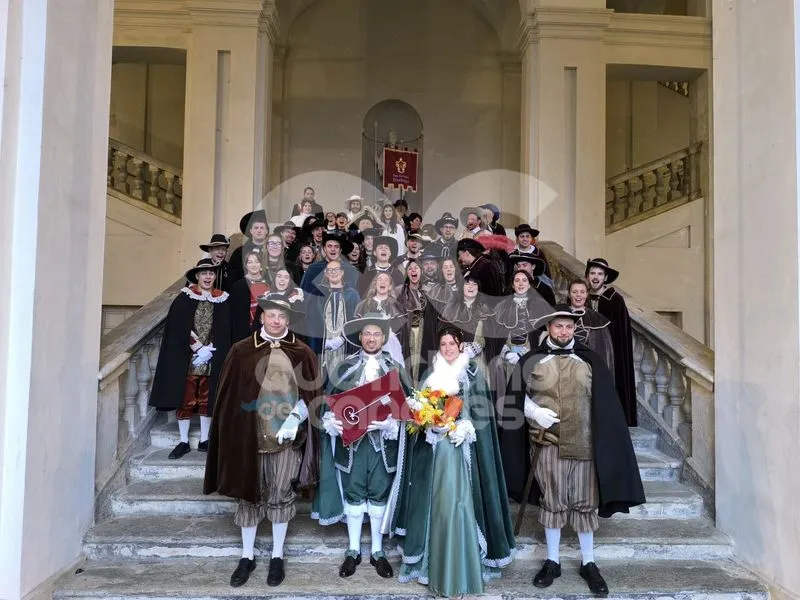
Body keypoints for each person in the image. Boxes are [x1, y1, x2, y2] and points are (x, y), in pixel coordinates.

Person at [499, 305, 645, 596]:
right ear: (548, 328)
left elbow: (604, 402)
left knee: (584, 503)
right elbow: (514, 398)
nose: (564, 332)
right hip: (547, 444)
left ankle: (588, 562)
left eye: (568, 326)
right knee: (552, 501)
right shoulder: (532, 360)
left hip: (584, 444)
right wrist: (533, 411)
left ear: (574, 328)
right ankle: (552, 561)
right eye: (558, 326)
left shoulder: (589, 360)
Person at [203, 296, 322, 588]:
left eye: (282, 316)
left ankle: (277, 556)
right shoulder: (241, 351)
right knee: (248, 496)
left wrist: (297, 417)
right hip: (249, 436)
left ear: (288, 319)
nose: (276, 321)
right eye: (271, 315)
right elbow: (229, 399)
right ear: (261, 317)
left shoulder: (302, 352)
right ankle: (247, 556)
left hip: (286, 440)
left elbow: (313, 395)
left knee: (281, 493)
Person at [391, 326, 515, 596]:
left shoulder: (473, 374)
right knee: (436, 507)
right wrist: (428, 426)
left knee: (459, 506)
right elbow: (417, 414)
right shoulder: (430, 375)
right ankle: (433, 564)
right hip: (435, 452)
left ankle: (461, 565)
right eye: (443, 344)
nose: (448, 348)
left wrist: (467, 428)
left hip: (463, 453)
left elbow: (482, 416)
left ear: (461, 346)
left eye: (452, 344)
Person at [312, 315, 411, 578]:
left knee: (379, 494)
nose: (371, 338)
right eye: (367, 334)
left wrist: (392, 423)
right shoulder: (344, 367)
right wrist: (332, 422)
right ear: (360, 337)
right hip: (352, 446)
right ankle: (353, 550)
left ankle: (377, 551)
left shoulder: (394, 368)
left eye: (376, 334)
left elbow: (409, 407)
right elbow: (328, 403)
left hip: (383, 445)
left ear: (383, 338)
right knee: (354, 494)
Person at [149, 259, 232, 459]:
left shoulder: (222, 299)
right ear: (197, 276)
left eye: (211, 273)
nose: (207, 277)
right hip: (188, 357)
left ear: (215, 276)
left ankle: (204, 439)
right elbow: (178, 327)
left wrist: (211, 349)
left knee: (207, 399)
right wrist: (197, 347)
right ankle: (183, 441)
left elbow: (224, 328)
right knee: (186, 399)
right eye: (204, 273)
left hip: (212, 357)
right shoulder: (184, 298)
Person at [585, 258, 637, 426]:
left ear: (605, 278)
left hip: (609, 355)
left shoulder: (615, 299)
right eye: (592, 273)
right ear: (587, 276)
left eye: (600, 274)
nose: (595, 277)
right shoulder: (582, 297)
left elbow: (621, 334)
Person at [567, 279, 614, 373]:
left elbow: (603, 354)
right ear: (569, 294)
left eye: (582, 292)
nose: (578, 295)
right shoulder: (558, 314)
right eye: (574, 292)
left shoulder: (597, 320)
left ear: (587, 294)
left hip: (586, 371)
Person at [230, 251, 270, 342]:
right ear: (245, 265)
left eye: (257, 262)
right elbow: (233, 315)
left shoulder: (268, 286)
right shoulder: (237, 286)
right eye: (250, 262)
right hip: (241, 334)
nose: (253, 265)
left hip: (263, 333)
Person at [229, 210, 269, 284]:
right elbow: (232, 278)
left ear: (266, 231)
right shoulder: (239, 253)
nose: (259, 231)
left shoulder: (273, 251)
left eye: (262, 228)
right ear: (250, 231)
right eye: (256, 228)